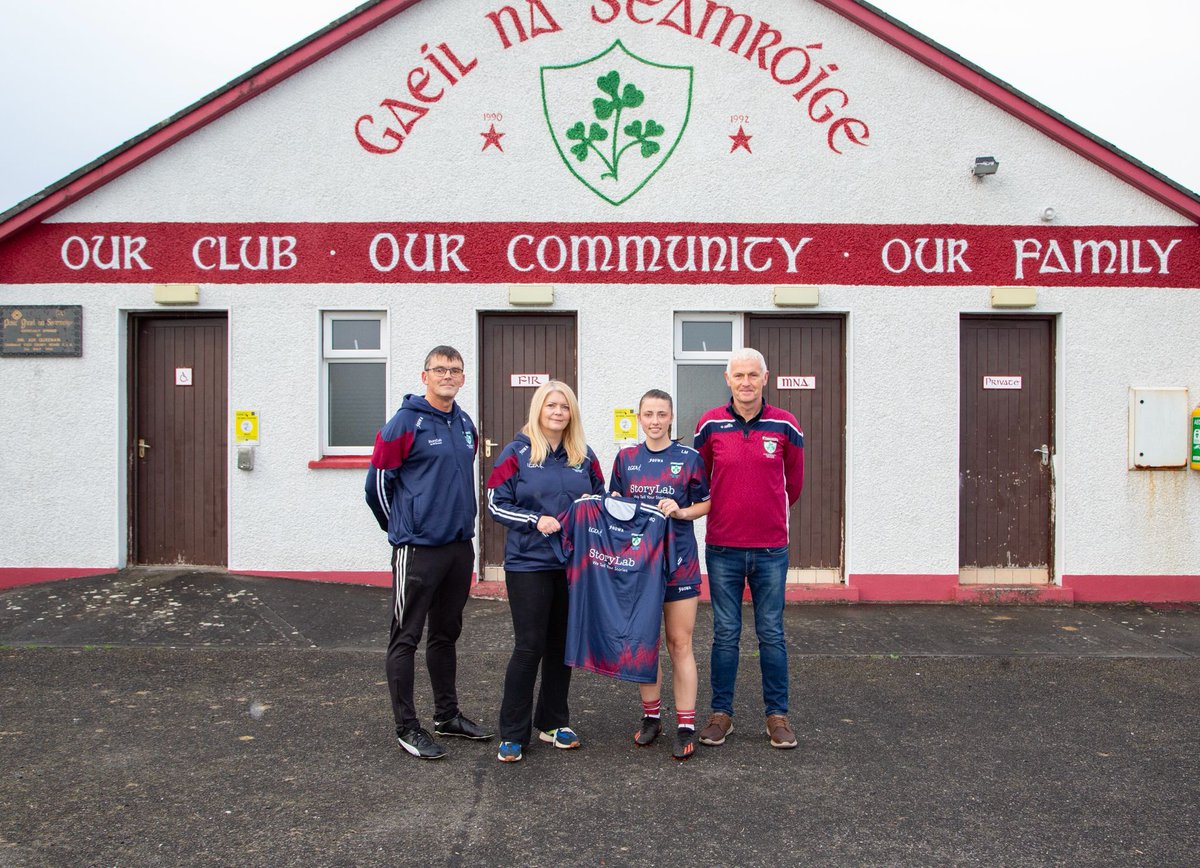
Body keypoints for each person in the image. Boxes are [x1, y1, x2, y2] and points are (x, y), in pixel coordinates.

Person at [365, 345, 492, 760]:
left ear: (462, 377)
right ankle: (407, 727)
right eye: (440, 369)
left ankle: (447, 716)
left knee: (445, 634)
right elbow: (377, 485)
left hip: (458, 546)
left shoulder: (465, 423)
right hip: (418, 548)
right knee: (406, 637)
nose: (448, 376)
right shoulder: (405, 422)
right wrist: (401, 531)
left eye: (455, 370)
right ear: (425, 376)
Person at [486, 381, 605, 763]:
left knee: (561, 646)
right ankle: (513, 732)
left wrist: (599, 505)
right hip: (529, 564)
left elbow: (601, 498)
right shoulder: (517, 452)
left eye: (565, 407)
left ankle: (553, 722)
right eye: (551, 405)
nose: (558, 412)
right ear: (539, 409)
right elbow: (494, 503)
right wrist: (535, 519)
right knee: (529, 645)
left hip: (572, 565)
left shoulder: (583, 456)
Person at [693, 348, 804, 750]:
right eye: (738, 375)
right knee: (725, 634)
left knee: (771, 633)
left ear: (765, 377)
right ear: (727, 379)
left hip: (771, 549)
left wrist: (764, 512)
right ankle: (722, 715)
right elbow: (700, 479)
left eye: (753, 375)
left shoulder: (786, 424)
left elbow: (795, 484)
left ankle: (777, 716)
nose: (746, 382)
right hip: (722, 546)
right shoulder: (708, 424)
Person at [610, 389, 710, 761]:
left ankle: (686, 724)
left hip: (679, 562)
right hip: (639, 565)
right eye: (648, 414)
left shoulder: (689, 458)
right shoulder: (626, 459)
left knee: (679, 643)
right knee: (642, 642)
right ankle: (652, 717)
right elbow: (612, 506)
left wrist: (682, 511)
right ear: (639, 418)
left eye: (661, 414)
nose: (655, 420)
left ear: (671, 418)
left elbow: (707, 501)